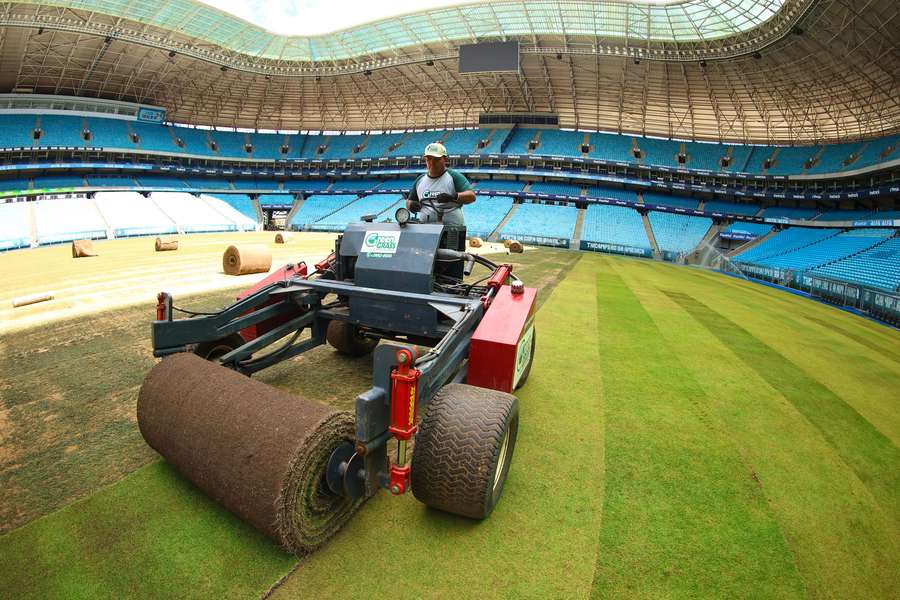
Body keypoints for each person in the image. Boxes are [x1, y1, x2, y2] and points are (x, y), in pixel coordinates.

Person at [406, 142, 475, 227]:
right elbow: (410, 201)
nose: (432, 163)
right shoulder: (420, 180)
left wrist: (453, 196)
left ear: (445, 159)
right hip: (424, 228)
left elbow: (471, 196)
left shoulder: (454, 176)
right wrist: (411, 205)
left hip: (451, 229)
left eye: (436, 159)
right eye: (429, 159)